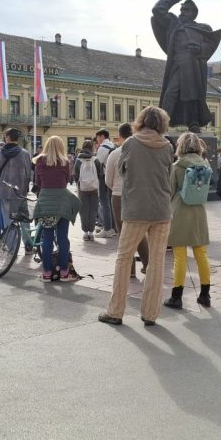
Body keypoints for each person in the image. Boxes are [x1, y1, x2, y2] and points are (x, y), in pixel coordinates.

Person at [99, 106, 174, 326]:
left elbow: (123, 172)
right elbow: (169, 176)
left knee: (124, 259)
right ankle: (150, 313)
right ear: (162, 123)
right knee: (157, 262)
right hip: (161, 210)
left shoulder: (130, 143)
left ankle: (116, 311)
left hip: (136, 210)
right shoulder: (167, 146)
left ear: (140, 121)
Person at [149, 0, 221, 132]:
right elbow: (157, 11)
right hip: (176, 65)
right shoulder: (173, 23)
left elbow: (210, 45)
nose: (182, 12)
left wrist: (199, 49)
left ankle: (193, 122)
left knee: (192, 94)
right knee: (170, 93)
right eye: (181, 10)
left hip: (193, 66)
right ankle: (162, 123)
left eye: (186, 10)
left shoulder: (203, 28)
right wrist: (170, 0)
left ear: (194, 13)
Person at [163, 132, 212, 308]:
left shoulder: (177, 166)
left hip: (180, 211)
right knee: (201, 253)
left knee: (180, 255)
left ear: (180, 147)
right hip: (199, 211)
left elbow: (169, 190)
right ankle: (205, 294)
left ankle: (176, 296)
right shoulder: (205, 164)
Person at [32, 136, 81, 281]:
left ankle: (47, 273)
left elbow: (38, 182)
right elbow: (67, 181)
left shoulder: (39, 162)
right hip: (62, 202)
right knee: (62, 238)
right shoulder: (65, 162)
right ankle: (64, 272)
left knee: (46, 238)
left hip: (45, 202)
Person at [106, 123, 149, 274]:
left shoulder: (114, 154)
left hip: (118, 196)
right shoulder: (142, 153)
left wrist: (117, 188)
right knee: (139, 231)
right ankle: (147, 264)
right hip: (138, 195)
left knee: (123, 233)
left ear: (120, 136)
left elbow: (108, 180)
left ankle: (130, 270)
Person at [0, 128, 33, 250]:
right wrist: (26, 187)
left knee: (7, 220)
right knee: (24, 219)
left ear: (7, 137)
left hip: (5, 191)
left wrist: (0, 185)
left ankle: (11, 246)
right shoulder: (24, 153)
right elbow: (29, 173)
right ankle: (28, 245)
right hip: (20, 192)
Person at [73, 140, 103, 241]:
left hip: (82, 189)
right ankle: (91, 232)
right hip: (94, 188)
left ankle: (85, 233)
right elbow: (100, 174)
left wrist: (79, 183)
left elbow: (75, 175)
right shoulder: (95, 159)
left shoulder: (78, 160)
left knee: (83, 210)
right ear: (92, 148)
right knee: (93, 210)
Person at [93, 128, 117, 238]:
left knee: (104, 203)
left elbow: (98, 163)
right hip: (113, 176)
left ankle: (107, 229)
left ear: (102, 136)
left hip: (104, 177)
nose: (97, 139)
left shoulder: (103, 147)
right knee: (110, 203)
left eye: (98, 137)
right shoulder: (113, 146)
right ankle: (113, 228)